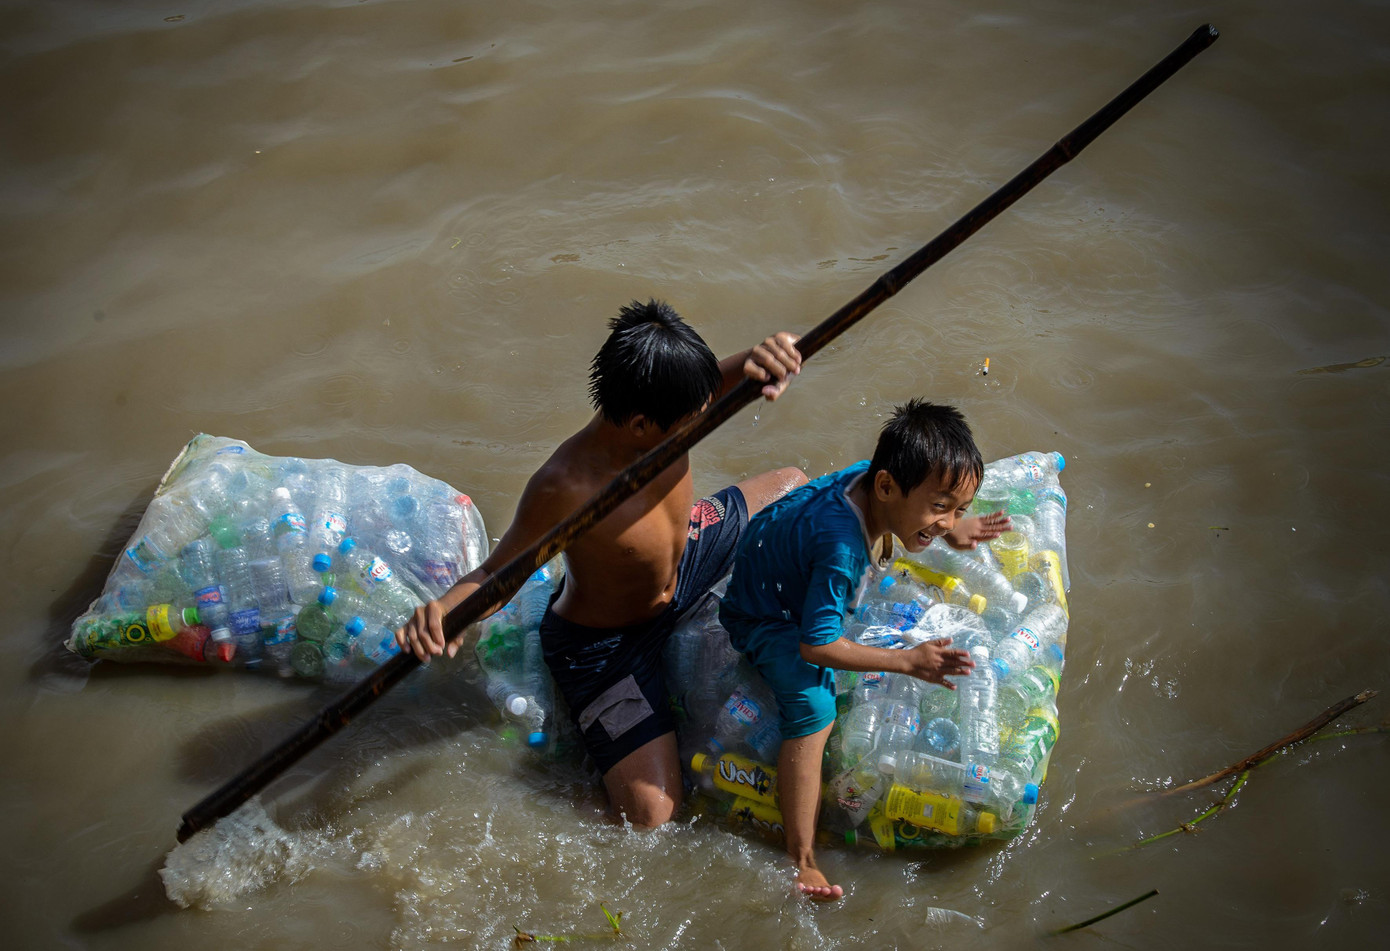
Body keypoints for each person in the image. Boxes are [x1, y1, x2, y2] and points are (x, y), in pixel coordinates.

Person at [396, 298, 808, 826]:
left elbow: (736, 376)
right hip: (605, 642)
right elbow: (498, 575)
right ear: (639, 425)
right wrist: (445, 610)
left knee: (794, 488)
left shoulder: (674, 404)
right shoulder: (565, 485)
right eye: (692, 421)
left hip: (686, 563)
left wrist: (769, 353)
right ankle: (568, 770)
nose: (704, 419)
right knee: (653, 816)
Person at [717, 399, 1012, 900]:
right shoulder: (841, 550)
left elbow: (911, 507)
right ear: (885, 487)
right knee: (816, 708)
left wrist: (952, 524)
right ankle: (802, 858)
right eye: (940, 506)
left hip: (775, 568)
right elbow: (816, 645)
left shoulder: (870, 476)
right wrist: (906, 661)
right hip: (765, 618)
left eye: (957, 508)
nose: (946, 521)